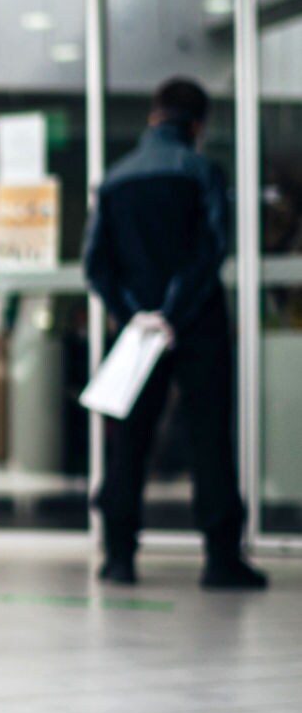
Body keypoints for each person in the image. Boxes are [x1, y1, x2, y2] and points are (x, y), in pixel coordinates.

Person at [84, 77, 267, 591]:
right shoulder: (202, 171)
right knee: (210, 437)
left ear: (152, 116)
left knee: (130, 443)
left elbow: (96, 266)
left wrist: (138, 315)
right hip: (198, 325)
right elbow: (211, 250)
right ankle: (221, 560)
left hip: (137, 331)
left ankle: (119, 557)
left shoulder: (114, 179)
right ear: (196, 124)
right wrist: (173, 311)